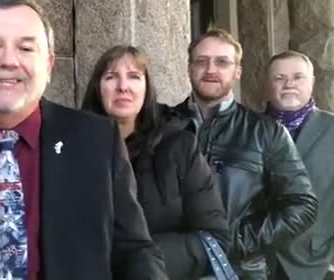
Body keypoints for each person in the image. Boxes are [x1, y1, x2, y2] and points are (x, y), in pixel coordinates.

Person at [0, 0, 167, 280]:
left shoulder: (96, 140)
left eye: (25, 48)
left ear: (48, 66)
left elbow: (134, 251)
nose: (9, 61)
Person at [173, 28, 318, 279]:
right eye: (201, 61)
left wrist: (238, 242)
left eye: (222, 62)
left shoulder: (267, 132)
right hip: (172, 269)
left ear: (237, 72)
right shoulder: (163, 124)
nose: (211, 69)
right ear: (189, 68)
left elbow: (303, 205)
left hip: (239, 270)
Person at [81, 45, 230, 279]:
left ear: (147, 88)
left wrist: (139, 261)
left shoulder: (180, 147)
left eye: (134, 76)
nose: (123, 87)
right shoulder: (73, 149)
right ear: (97, 89)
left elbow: (215, 238)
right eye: (111, 77)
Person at [265, 50, 334, 280]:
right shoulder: (248, 129)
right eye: (279, 78)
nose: (289, 84)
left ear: (312, 82)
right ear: (268, 83)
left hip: (317, 265)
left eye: (298, 77)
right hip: (259, 263)